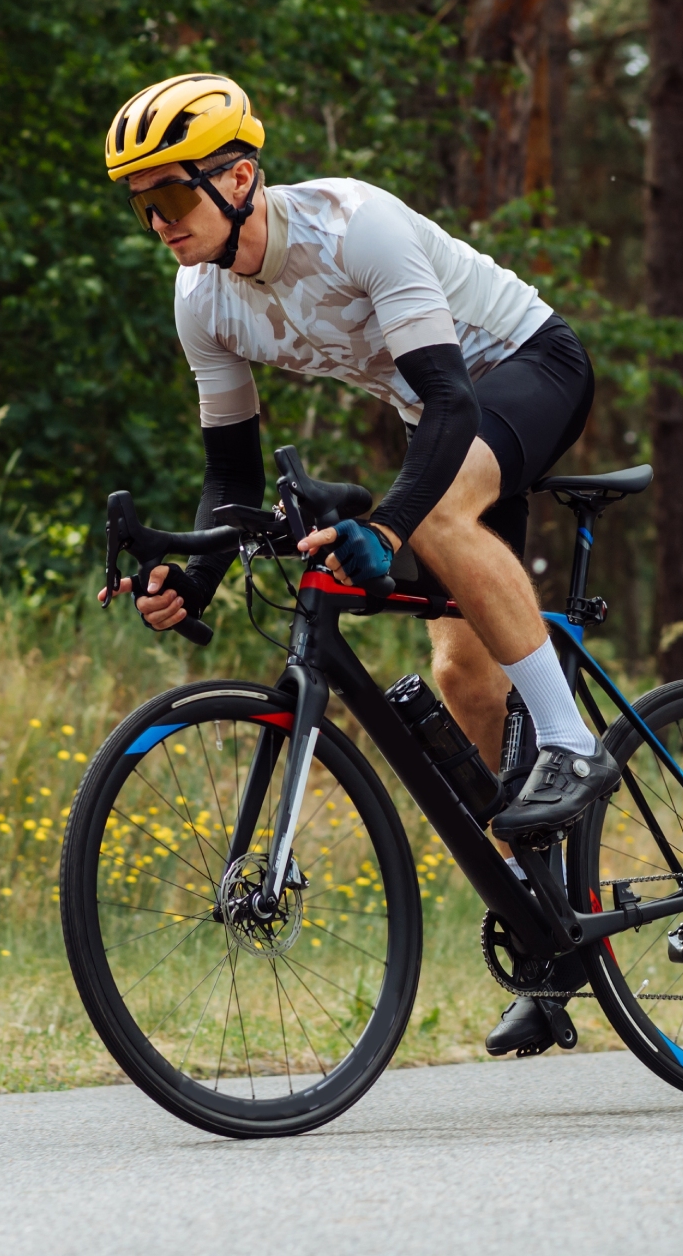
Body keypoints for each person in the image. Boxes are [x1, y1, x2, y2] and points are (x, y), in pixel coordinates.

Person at [96, 72, 613, 1056]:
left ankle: (571, 740)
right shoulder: (201, 300)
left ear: (238, 178)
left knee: (437, 519)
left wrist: (390, 525)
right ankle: (549, 930)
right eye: (141, 205)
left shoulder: (353, 227)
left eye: (168, 195)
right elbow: (232, 477)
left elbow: (451, 403)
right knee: (463, 676)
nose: (157, 223)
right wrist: (192, 575)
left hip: (525, 369)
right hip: (440, 418)